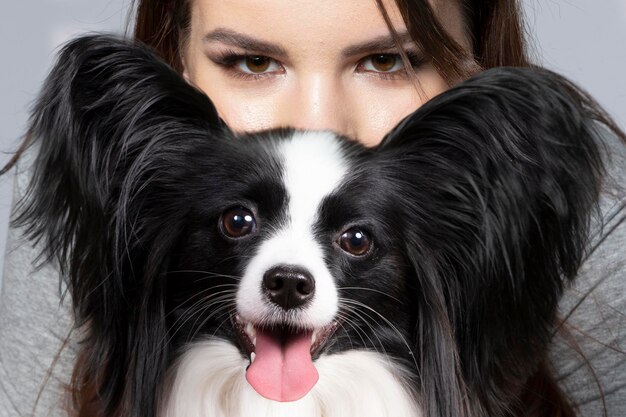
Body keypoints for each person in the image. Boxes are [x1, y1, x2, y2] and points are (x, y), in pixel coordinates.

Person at [0, 0, 624, 416]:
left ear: (472, 65)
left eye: (386, 61)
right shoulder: (77, 239)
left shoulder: (608, 246)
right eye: (252, 61)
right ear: (176, 58)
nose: (314, 122)